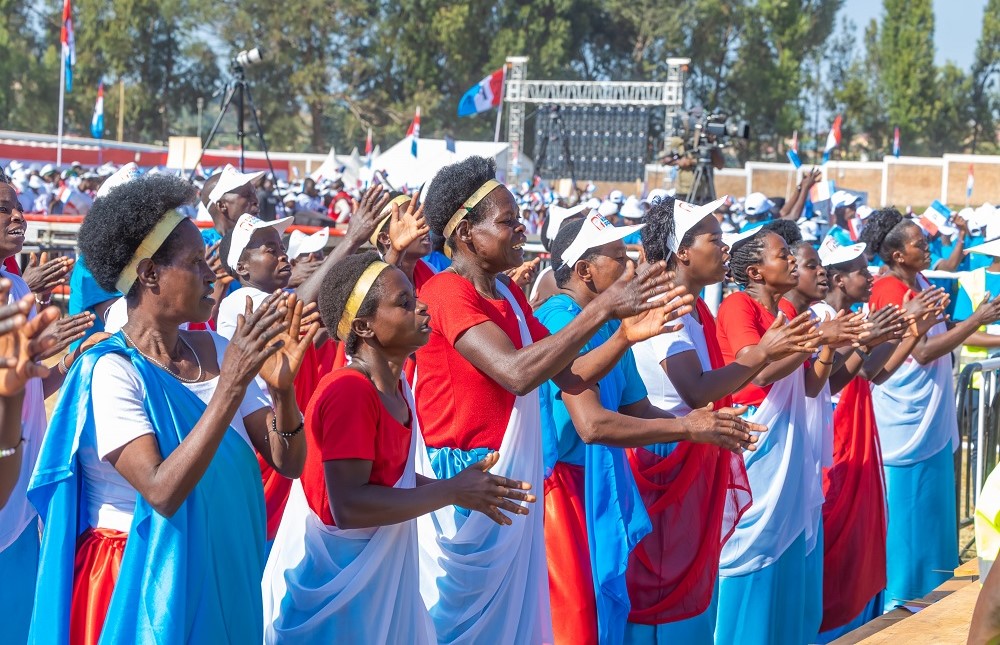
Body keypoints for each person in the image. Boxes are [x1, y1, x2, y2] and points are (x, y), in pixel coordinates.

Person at [28, 174, 318, 644]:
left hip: (224, 567)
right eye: (195, 263)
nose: (212, 275)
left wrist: (284, 393)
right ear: (149, 275)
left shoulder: (222, 350)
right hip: (140, 582)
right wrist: (232, 385)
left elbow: (289, 462)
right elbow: (161, 491)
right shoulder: (113, 371)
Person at [414, 155, 675, 643]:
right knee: (460, 629)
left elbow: (563, 372)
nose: (521, 230)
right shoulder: (447, 292)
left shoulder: (509, 297)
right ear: (467, 233)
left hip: (513, 482)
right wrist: (602, 311)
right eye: (509, 222)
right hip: (466, 482)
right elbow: (516, 374)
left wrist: (622, 336)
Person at [262, 251, 535, 642]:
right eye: (404, 303)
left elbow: (390, 481)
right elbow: (350, 505)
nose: (422, 307)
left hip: (367, 594)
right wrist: (451, 490)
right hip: (334, 598)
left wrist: (467, 490)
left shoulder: (396, 388)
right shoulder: (350, 392)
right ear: (364, 327)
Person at [536, 214, 766, 644]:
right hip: (564, 492)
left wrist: (705, 426)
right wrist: (687, 428)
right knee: (575, 621)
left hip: (599, 487)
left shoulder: (608, 323)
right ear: (584, 270)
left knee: (606, 615)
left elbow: (638, 407)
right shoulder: (557, 317)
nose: (629, 270)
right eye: (618, 259)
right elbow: (591, 424)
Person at [628, 197, 820, 643]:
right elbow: (694, 390)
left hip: (692, 455)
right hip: (664, 457)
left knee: (692, 594)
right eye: (714, 238)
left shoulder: (698, 307)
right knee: (662, 596)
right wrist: (762, 355)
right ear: (682, 252)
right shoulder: (666, 304)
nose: (725, 247)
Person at [858, 207, 1000, 612]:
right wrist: (977, 320)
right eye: (920, 243)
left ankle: (932, 589)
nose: (927, 247)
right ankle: (902, 597)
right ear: (898, 254)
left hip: (930, 415)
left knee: (933, 509)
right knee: (907, 513)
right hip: (904, 421)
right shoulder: (887, 289)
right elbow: (919, 351)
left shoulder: (919, 280)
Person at [809, 241, 936, 641]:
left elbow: (878, 373)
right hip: (836, 439)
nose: (871, 277)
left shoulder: (854, 317)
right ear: (838, 279)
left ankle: (859, 626)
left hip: (860, 433)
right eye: (863, 272)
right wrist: (875, 336)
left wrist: (911, 332)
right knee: (837, 535)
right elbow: (837, 380)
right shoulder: (822, 319)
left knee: (863, 537)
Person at [714, 228, 823, 644]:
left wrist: (829, 346)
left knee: (786, 559)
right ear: (756, 272)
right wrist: (814, 341)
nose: (793, 261)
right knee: (751, 552)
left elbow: (811, 385)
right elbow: (755, 370)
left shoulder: (790, 315)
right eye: (784, 256)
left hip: (787, 448)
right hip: (756, 439)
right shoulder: (737, 305)